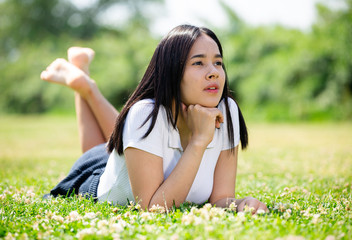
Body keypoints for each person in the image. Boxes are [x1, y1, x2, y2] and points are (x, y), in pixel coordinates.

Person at [41, 24, 267, 214]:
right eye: (198, 63)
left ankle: (82, 77)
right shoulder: (144, 114)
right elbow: (152, 208)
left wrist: (240, 204)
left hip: (135, 151)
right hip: (95, 175)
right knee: (104, 148)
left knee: (119, 141)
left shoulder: (227, 111)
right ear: (171, 71)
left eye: (218, 62)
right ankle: (85, 85)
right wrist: (199, 141)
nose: (214, 72)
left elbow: (220, 198)